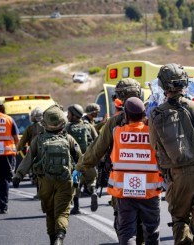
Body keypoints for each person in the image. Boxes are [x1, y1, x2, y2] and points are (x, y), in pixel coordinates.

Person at [149, 63, 194, 245]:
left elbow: (155, 146)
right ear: (185, 82)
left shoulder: (156, 113)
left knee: (180, 219)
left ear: (163, 85)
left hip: (176, 176)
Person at [74, 78, 145, 244]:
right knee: (144, 223)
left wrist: (80, 167)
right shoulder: (150, 119)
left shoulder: (114, 122)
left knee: (124, 223)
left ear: (119, 98)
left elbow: (96, 150)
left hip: (121, 181)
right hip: (148, 180)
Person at [12, 104, 82, 245]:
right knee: (62, 212)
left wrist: (18, 176)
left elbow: (28, 159)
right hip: (65, 181)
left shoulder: (38, 139)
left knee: (50, 212)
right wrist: (77, 180)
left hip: (45, 182)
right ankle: (60, 237)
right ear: (63, 122)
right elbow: (80, 162)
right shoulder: (68, 139)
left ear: (45, 123)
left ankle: (52, 239)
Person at [105, 96, 163, 244]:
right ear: (144, 115)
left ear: (126, 115)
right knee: (151, 231)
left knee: (127, 232)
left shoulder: (116, 132)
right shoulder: (153, 133)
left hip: (124, 191)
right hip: (150, 190)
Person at [66, 104, 98, 214]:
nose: (67, 115)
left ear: (74, 115)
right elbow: (97, 140)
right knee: (91, 180)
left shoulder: (68, 127)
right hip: (89, 159)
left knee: (76, 183)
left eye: (69, 113)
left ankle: (76, 207)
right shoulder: (88, 125)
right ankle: (93, 191)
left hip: (76, 161)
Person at [0, 99, 19, 214]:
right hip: (6, 155)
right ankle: (4, 206)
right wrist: (15, 150)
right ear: (1, 107)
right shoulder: (9, 119)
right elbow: (16, 138)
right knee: (4, 179)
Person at [17, 107, 45, 199]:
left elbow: (22, 141)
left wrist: (18, 148)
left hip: (36, 153)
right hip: (48, 152)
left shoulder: (31, 128)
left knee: (36, 173)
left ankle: (39, 193)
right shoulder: (48, 126)